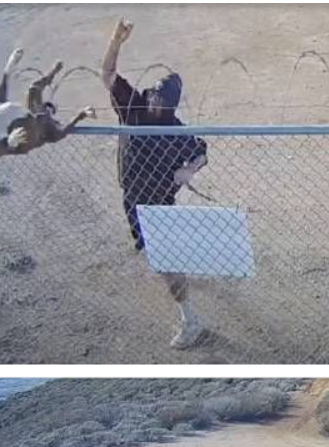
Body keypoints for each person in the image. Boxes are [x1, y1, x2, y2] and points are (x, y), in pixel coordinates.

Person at [102, 18, 209, 349]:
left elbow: (202, 151)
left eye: (162, 101)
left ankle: (191, 321)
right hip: (132, 199)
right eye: (155, 96)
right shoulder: (133, 107)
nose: (155, 103)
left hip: (159, 203)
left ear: (171, 106)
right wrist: (116, 40)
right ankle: (181, 276)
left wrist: (188, 170)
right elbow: (107, 75)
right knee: (161, 256)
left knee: (164, 263)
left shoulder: (174, 129)